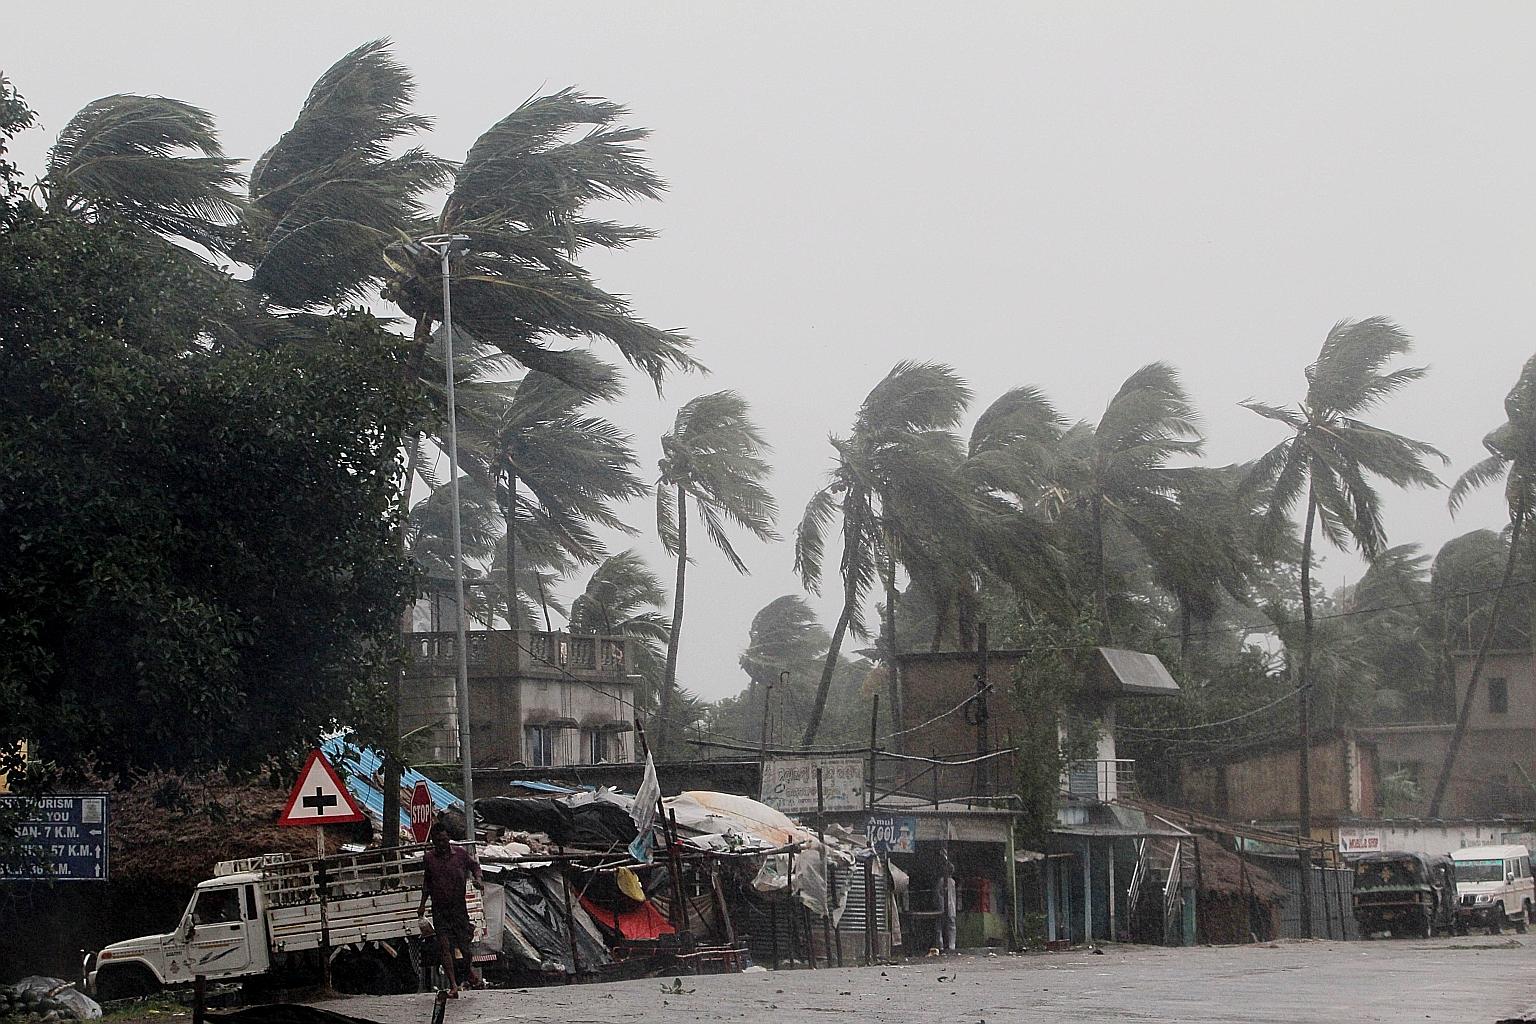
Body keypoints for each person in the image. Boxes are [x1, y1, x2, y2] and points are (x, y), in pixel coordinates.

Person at [418, 822, 484, 995]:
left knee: (465, 948)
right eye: (438, 841)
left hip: (458, 908)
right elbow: (427, 882)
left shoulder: (460, 854)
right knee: (444, 948)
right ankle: (453, 985)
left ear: (448, 839)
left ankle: (467, 972)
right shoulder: (429, 858)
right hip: (439, 909)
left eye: (445, 840)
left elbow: (475, 866)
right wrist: (422, 904)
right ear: (433, 841)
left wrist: (478, 879)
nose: (442, 844)